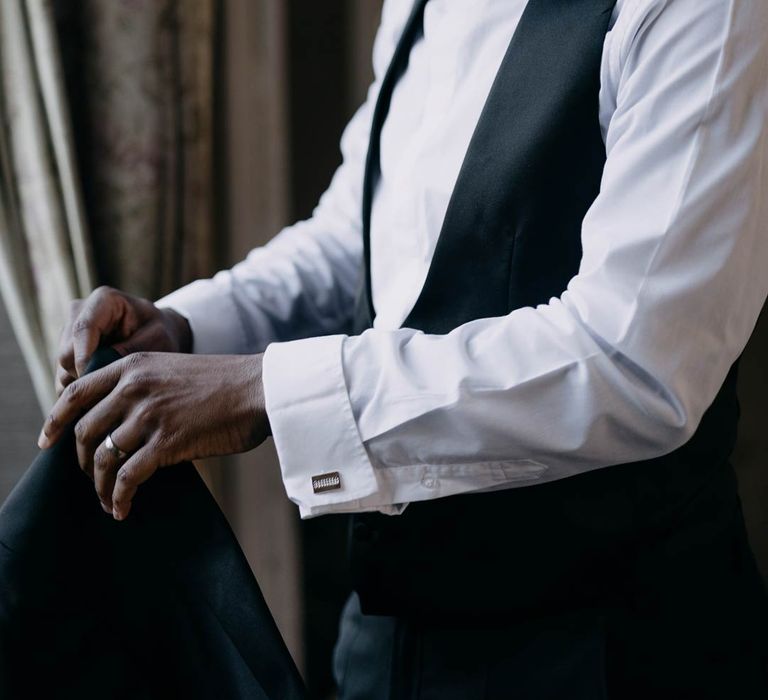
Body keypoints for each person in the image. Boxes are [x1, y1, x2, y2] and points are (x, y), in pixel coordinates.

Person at [41, 0, 768, 697]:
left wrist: (265, 390)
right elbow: (357, 241)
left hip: (613, 647)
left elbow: (633, 362)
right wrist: (191, 329)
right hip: (386, 640)